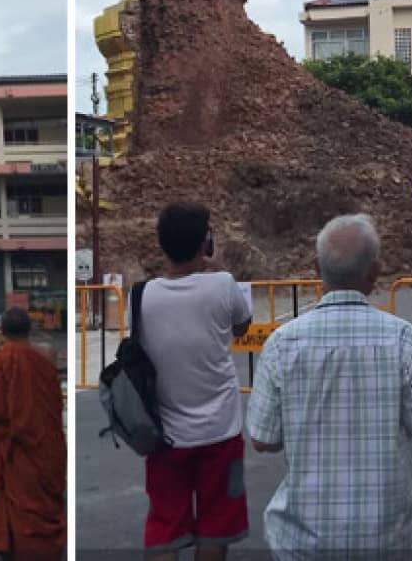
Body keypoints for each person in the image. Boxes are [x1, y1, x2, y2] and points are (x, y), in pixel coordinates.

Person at [246, 214, 412, 560]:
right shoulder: (401, 339)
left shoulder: (282, 343)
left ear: (316, 269)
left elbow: (264, 439)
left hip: (303, 537)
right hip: (383, 535)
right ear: (375, 272)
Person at [136, 203, 252, 560]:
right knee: (216, 526)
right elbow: (242, 324)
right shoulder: (223, 285)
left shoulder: (141, 295)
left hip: (166, 434)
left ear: (161, 244)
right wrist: (216, 269)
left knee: (165, 526)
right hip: (221, 430)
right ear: (207, 243)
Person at [0, 307, 66, 560]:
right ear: (29, 330)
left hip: (16, 452)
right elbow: (53, 403)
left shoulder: (2, 360)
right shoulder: (44, 359)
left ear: (2, 331)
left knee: (17, 509)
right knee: (44, 507)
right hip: (45, 449)